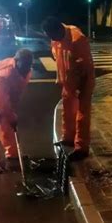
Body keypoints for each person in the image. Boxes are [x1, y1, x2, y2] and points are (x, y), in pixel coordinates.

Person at [42, 17, 95, 161]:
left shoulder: (77, 39)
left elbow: (83, 66)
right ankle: (68, 138)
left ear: (59, 30)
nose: (52, 39)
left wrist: (79, 87)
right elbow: (57, 56)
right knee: (67, 109)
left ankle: (81, 147)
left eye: (53, 36)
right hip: (68, 82)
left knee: (82, 114)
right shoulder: (56, 38)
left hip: (83, 82)